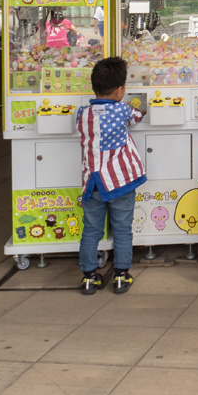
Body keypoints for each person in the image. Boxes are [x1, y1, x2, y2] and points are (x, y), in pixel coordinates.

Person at [75, 57, 147, 295]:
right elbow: (137, 116)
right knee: (123, 230)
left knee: (91, 231)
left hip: (92, 185)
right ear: (119, 91)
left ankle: (89, 276)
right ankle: (121, 276)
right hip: (120, 183)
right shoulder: (122, 110)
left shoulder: (83, 114)